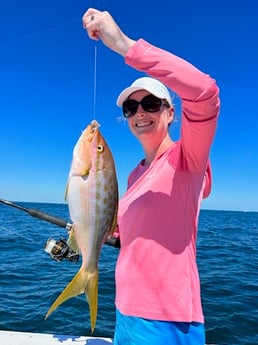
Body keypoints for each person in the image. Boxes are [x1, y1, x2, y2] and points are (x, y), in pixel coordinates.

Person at [82, 8, 220, 345]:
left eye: (151, 104)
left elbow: (205, 93)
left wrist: (125, 46)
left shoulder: (186, 158)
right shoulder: (133, 177)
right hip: (125, 312)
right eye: (131, 108)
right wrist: (94, 234)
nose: (140, 112)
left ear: (170, 112)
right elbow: (135, 236)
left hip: (166, 320)